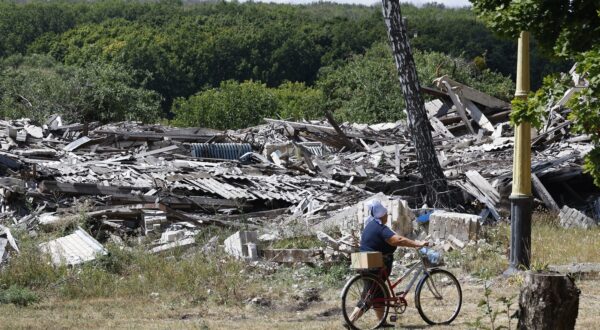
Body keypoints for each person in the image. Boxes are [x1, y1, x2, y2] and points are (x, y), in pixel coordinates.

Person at [349, 199, 428, 327]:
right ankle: (351, 320)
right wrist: (417, 243)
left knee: (378, 293)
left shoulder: (370, 225)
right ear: (382, 215)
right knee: (369, 297)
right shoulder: (381, 228)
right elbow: (399, 239)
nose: (387, 216)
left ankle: (382, 322)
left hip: (365, 263)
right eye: (386, 214)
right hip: (376, 266)